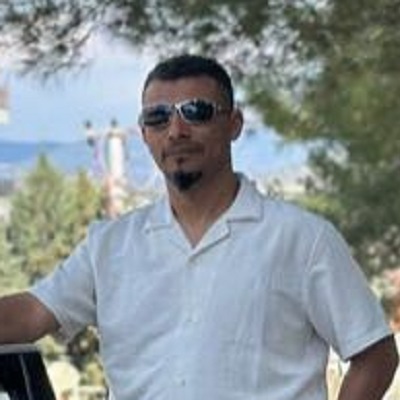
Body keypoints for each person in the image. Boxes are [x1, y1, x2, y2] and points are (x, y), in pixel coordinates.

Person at [0, 54, 398, 400]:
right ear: (144, 133)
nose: (176, 130)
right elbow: (31, 314)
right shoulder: (109, 247)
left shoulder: (303, 240)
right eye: (158, 117)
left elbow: (376, 355)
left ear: (234, 123)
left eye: (196, 111)